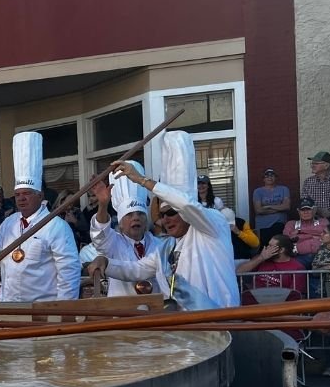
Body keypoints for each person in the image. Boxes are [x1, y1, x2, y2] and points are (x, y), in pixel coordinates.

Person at [88, 132, 239, 310]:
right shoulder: (165, 248)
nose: (166, 219)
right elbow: (136, 269)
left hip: (220, 326)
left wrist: (142, 181)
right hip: (184, 331)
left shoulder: (213, 225)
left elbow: (187, 205)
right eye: (162, 215)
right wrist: (106, 263)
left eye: (172, 212)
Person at [0, 132, 80, 303]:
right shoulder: (9, 222)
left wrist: (64, 310)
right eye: (18, 194)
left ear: (40, 195)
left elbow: (68, 271)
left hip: (43, 308)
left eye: (27, 193)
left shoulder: (56, 226)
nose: (21, 198)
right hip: (10, 305)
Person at [88, 160, 173, 297]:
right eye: (129, 215)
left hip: (156, 313)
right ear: (120, 222)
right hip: (123, 313)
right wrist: (103, 205)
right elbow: (99, 236)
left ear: (146, 220)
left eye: (140, 214)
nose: (136, 218)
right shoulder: (113, 243)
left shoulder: (159, 245)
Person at [235, 234, 308, 295]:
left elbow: (295, 295)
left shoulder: (297, 267)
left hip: (278, 303)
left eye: (271, 246)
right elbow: (239, 271)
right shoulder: (263, 259)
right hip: (255, 299)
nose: (267, 248)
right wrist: (261, 258)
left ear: (282, 250)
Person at [283, 197, 327, 267]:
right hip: (298, 257)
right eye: (302, 210)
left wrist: (300, 231)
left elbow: (328, 236)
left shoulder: (323, 221)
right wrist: (314, 236)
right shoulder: (291, 224)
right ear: (298, 211)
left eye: (308, 209)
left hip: (321, 256)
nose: (305, 212)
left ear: (314, 210)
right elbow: (286, 239)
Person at [252, 168, 290, 246]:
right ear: (263, 179)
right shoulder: (258, 191)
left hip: (279, 224)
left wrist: (268, 206)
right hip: (263, 226)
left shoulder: (283, 189)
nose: (270, 177)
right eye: (267, 176)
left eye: (272, 175)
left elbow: (286, 206)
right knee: (265, 247)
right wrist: (279, 208)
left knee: (278, 246)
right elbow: (259, 210)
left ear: (276, 178)